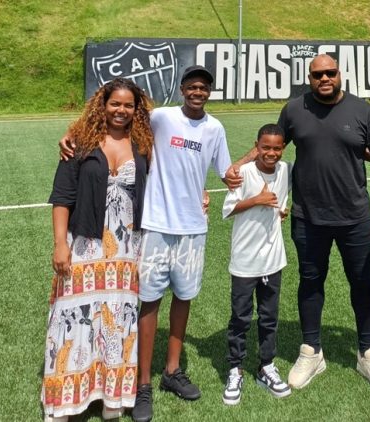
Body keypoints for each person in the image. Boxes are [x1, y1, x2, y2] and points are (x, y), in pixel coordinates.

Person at [226, 54, 370, 394]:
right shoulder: (294, 109)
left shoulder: (363, 111)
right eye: (318, 74)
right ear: (310, 77)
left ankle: (367, 352)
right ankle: (311, 351)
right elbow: (271, 144)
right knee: (311, 281)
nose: (324, 79)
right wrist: (238, 165)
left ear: (339, 74)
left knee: (362, 282)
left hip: (353, 217)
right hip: (308, 216)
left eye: (330, 73)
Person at [43, 77, 154, 421]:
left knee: (116, 320)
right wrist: (60, 244)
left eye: (128, 105)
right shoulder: (79, 142)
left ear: (137, 110)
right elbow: (62, 197)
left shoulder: (143, 143)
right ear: (102, 105)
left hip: (126, 249)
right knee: (73, 317)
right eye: (114, 104)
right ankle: (65, 401)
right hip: (85, 244)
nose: (121, 111)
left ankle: (111, 397)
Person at [132, 65, 232, 422]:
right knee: (148, 302)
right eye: (192, 86)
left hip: (193, 230)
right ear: (182, 89)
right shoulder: (161, 118)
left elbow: (227, 173)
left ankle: (172, 372)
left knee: (183, 298)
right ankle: (142, 384)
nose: (197, 91)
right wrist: (73, 137)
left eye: (203, 87)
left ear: (209, 92)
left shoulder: (215, 128)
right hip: (156, 226)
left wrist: (265, 164)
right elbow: (118, 119)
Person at [221, 124, 292, 406]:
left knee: (268, 317)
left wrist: (282, 209)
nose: (271, 153)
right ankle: (235, 368)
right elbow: (228, 210)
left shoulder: (286, 170)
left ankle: (266, 365)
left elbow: (282, 201)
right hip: (244, 261)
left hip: (273, 260)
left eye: (276, 148)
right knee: (240, 317)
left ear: (283, 148)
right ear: (256, 146)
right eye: (266, 147)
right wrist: (256, 200)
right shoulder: (244, 173)